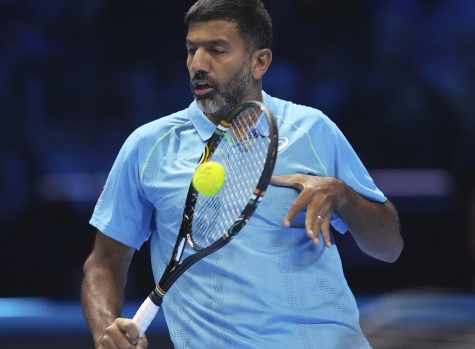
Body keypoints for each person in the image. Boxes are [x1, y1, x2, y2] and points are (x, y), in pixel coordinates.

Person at [81, 0, 403, 348]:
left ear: (259, 62)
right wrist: (106, 332)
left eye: (217, 50)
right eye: (192, 50)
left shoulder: (313, 130)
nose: (198, 64)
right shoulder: (148, 147)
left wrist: (343, 195)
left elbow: (389, 246)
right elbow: (104, 263)